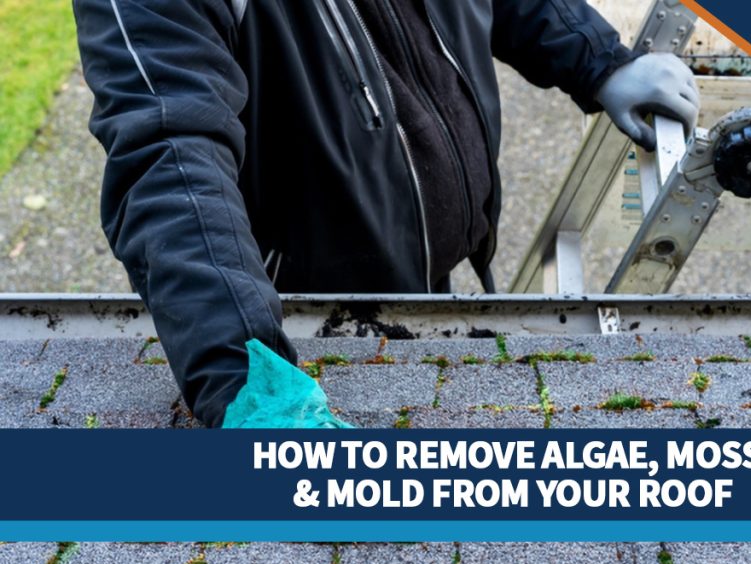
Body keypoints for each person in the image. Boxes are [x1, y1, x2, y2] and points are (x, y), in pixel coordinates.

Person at [74, 0, 700, 428]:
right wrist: (247, 380)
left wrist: (595, 57)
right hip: (299, 328)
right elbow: (169, 153)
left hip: (427, 276)